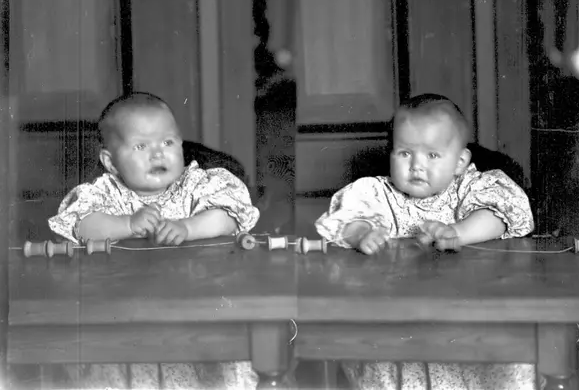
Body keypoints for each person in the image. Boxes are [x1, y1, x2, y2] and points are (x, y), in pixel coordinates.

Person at [315, 93, 536, 390]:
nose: (417, 166)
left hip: (468, 320)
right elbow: (349, 217)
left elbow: (503, 213)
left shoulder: (472, 187)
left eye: (432, 155)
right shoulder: (379, 194)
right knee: (379, 357)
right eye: (405, 153)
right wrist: (362, 234)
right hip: (399, 325)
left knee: (510, 353)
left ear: (460, 161)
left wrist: (459, 232)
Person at [47, 92, 261, 389]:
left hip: (199, 314)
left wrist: (187, 227)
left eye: (168, 142)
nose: (158, 154)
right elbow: (81, 224)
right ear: (110, 161)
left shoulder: (200, 185)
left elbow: (229, 216)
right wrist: (127, 225)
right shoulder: (104, 193)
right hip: (127, 318)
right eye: (141, 146)